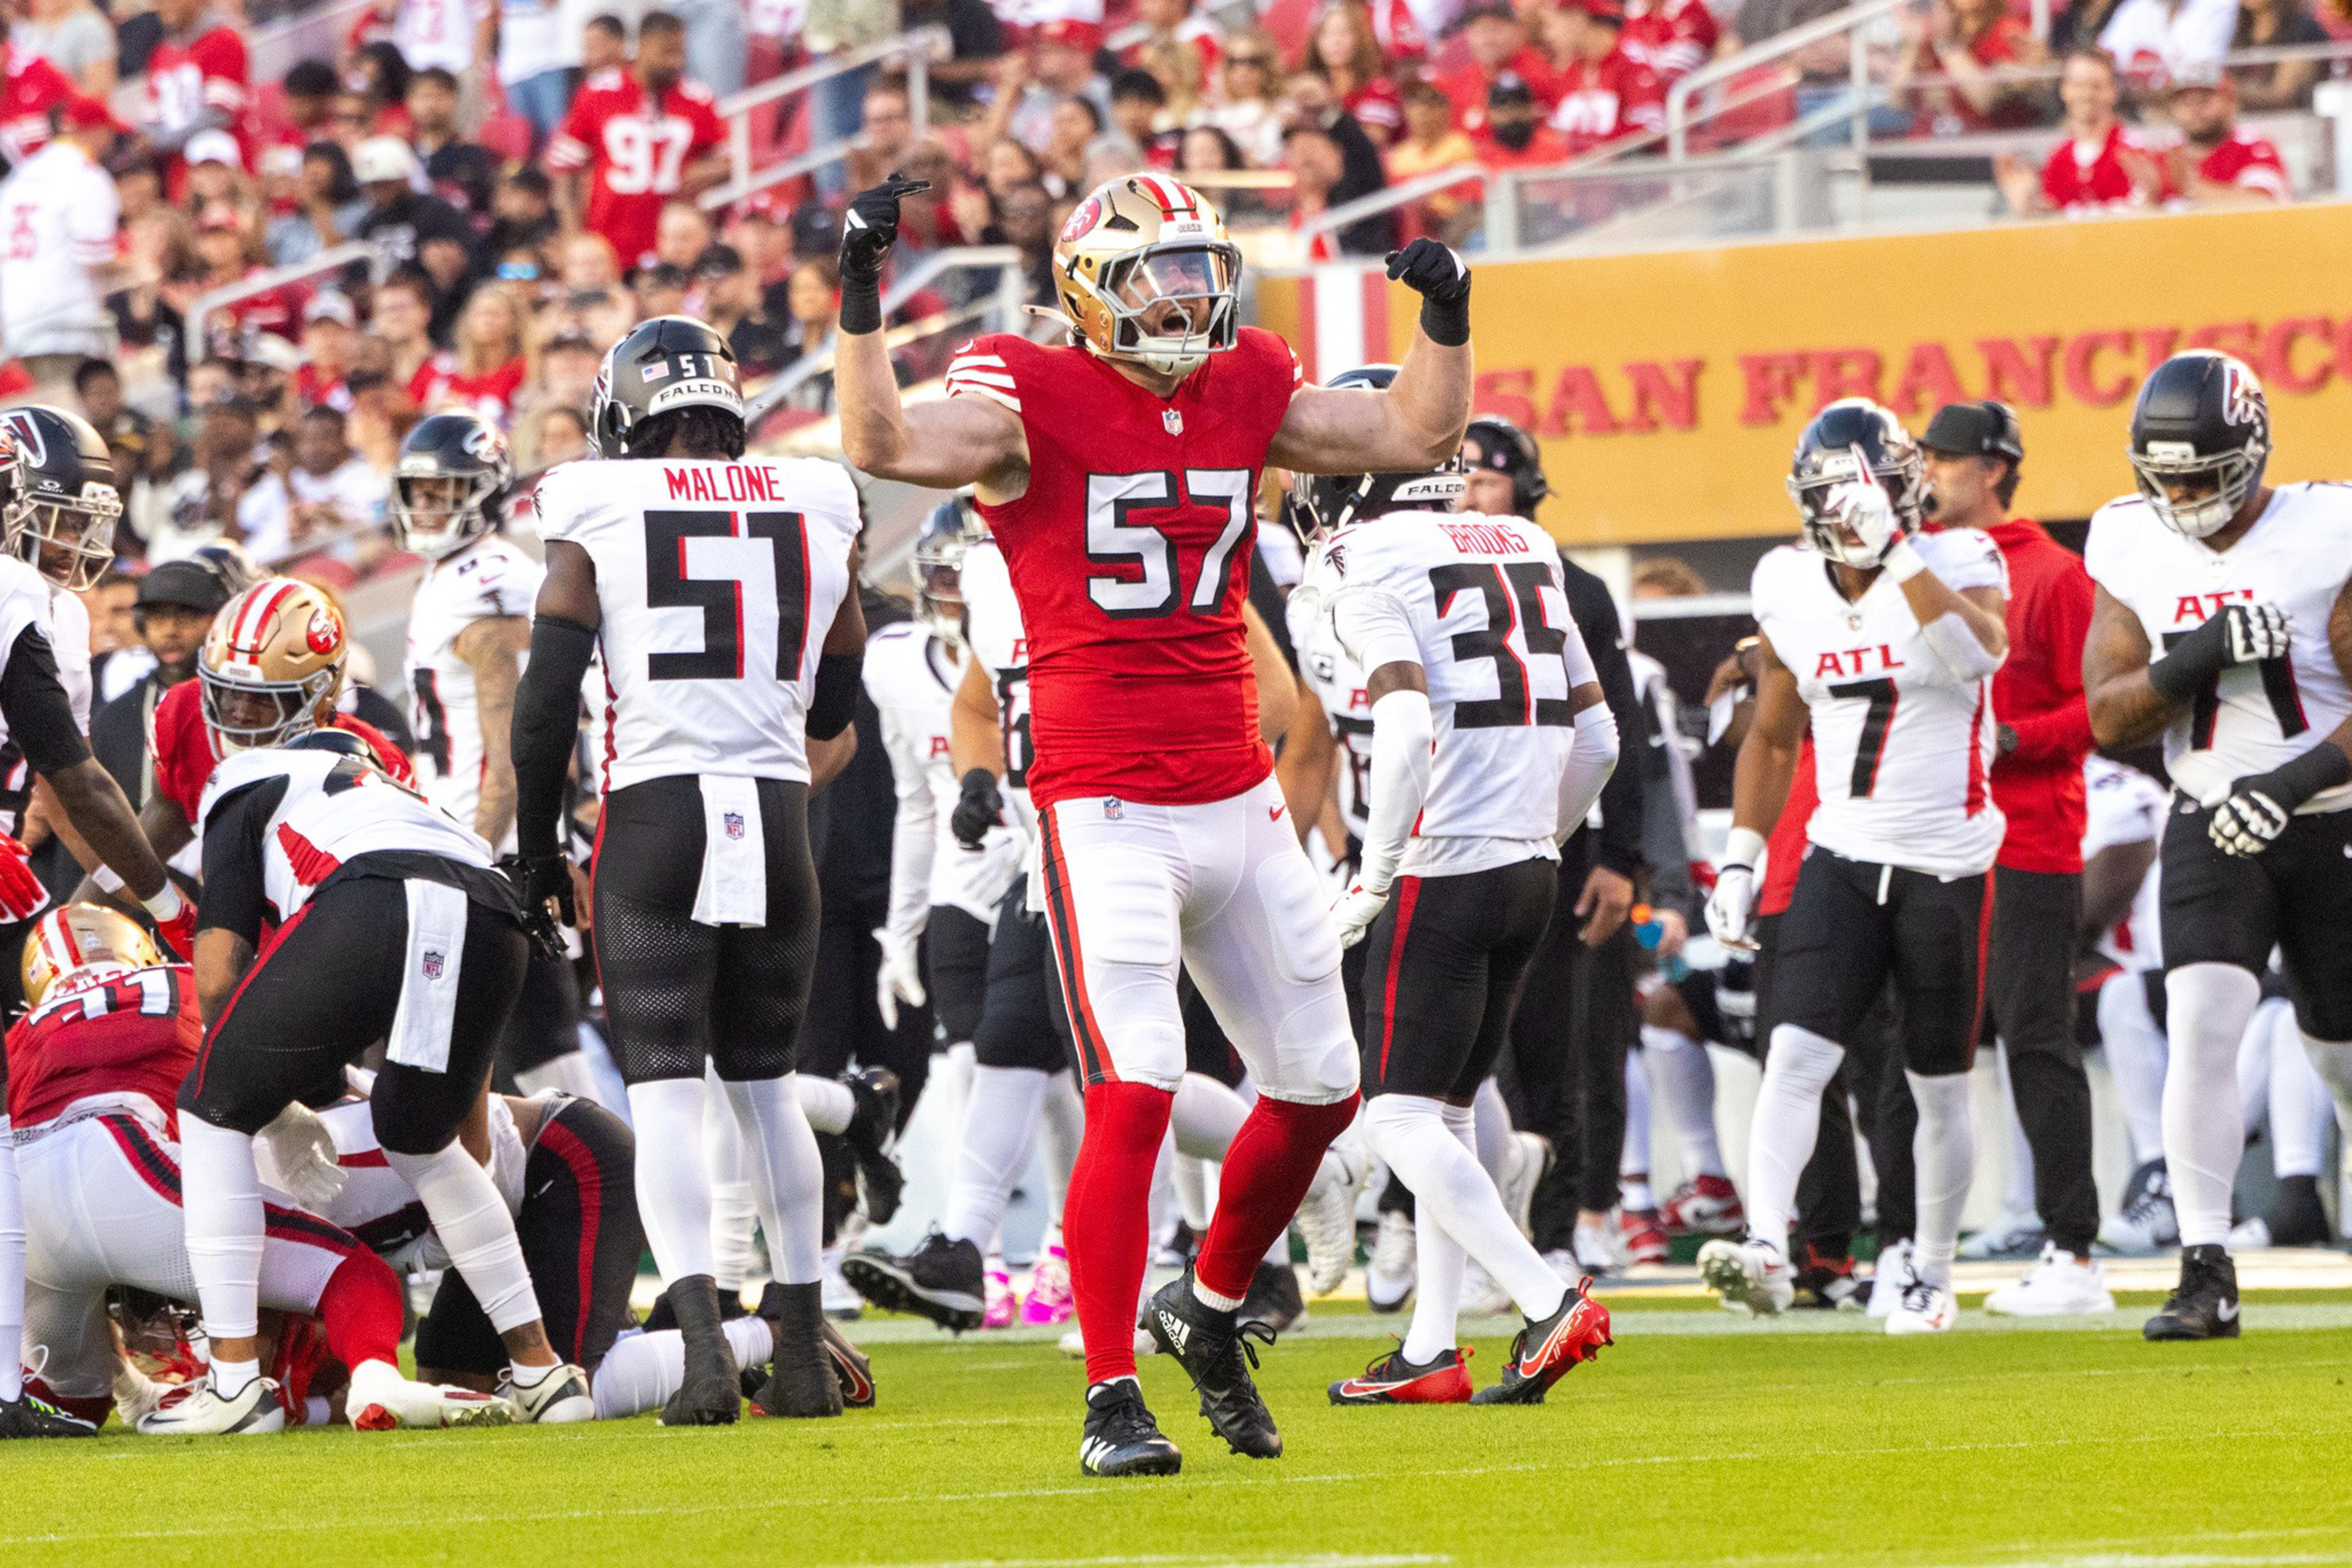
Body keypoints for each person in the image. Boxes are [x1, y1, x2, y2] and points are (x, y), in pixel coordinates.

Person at [833, 168, 1473, 1477]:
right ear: (1086, 289)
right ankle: (1110, 1389)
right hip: (1101, 796)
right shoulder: (1026, 386)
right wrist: (857, 299)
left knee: (1315, 1089)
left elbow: (1410, 433)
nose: (1184, 295)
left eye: (1197, 269)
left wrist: (1446, 321)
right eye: (1154, 275)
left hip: (1231, 787)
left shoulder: (1242, 380)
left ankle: (1213, 1301)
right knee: (1128, 1087)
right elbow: (884, 443)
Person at [509, 315, 868, 1425]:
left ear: (626, 414)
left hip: (656, 818)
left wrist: (533, 851)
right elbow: (839, 691)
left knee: (667, 1094)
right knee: (765, 1092)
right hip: (771, 811)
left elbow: (542, 707)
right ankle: (801, 1350)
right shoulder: (815, 496)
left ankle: (706, 1351)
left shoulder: (594, 503)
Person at [1289, 368, 1619, 1409]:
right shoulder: (1521, 542)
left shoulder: (1359, 555)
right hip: (1528, 861)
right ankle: (1430, 1347)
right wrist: (1536, 835)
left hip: (1442, 864)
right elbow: (1598, 740)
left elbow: (1397, 726)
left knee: (1391, 1121)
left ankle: (1540, 1295)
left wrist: (1376, 874)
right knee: (1440, 1115)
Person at [1701, 398, 2010, 1335]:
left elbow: (1974, 657)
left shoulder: (1959, 559)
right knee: (1793, 1054)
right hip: (1842, 849)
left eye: (1859, 496)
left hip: (1945, 863)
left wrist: (1898, 557)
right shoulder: (1785, 582)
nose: (1844, 515)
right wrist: (1741, 859)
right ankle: (1764, 1245)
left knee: (1932, 1085)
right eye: (1829, 499)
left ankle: (1929, 1267)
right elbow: (1774, 728)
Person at [2082, 351, 2352, 1339]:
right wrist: (2195, 656)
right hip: (2206, 810)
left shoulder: (2326, 529)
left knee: (2337, 1056)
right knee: (2198, 1017)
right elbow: (2107, 718)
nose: (2182, 494)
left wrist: (2285, 786)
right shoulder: (2125, 538)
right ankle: (2203, 1269)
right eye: (2166, 475)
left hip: (2328, 814)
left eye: (2201, 473)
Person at [11, 905, 500, 1433]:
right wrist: (287, 1117)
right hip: (124, 1159)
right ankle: (375, 1378)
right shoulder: (183, 981)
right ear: (140, 948)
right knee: (353, 1274)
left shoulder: (19, 1035)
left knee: (69, 1409)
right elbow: (270, 1064)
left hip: (26, 1197)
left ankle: (148, 1392)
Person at [0, 421, 194, 1441]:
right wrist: (163, 902)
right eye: (62, 512)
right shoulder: (23, 599)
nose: (77, 538)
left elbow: (49, 788)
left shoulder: (48, 604)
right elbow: (73, 779)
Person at [1915, 401, 2113, 1316]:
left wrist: (2010, 739)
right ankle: (1909, 1252)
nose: (1928, 471)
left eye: (1945, 458)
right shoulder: (1913, 566)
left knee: (2035, 1038)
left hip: (2030, 836)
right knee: (1918, 1045)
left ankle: (2073, 1252)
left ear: (1993, 468)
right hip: (1931, 835)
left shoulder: (2056, 574)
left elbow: (2101, 709)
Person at [1463, 416, 1646, 1278]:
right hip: (1458, 834)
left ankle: (1557, 1227)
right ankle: (1462, 1231)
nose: (1466, 490)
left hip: (1551, 838)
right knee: (1461, 1054)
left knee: (1553, 1047)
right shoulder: (1426, 573)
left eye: (1484, 477)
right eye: (1455, 474)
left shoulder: (1570, 587)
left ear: (1524, 490)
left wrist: (1618, 855)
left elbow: (1615, 732)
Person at [547, 12, 729, 274]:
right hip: (608, 247)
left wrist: (704, 171)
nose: (675, 62)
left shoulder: (698, 99)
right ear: (642, 46)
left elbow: (730, 163)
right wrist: (574, 237)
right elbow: (565, 171)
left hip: (674, 251)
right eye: (666, 52)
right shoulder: (598, 93)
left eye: (680, 53)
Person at [89, 557, 235, 810]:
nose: (170, 630)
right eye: (158, 617)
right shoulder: (115, 720)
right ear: (141, 624)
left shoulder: (245, 707)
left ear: (219, 621)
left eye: (186, 615)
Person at [0, 97, 122, 397]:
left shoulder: (20, 177)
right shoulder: (86, 176)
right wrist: (143, 265)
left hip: (20, 325)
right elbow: (93, 259)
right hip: (65, 324)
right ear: (95, 131)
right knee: (70, 428)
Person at [1995, 49, 2168, 216]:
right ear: (2064, 90)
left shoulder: (2137, 151)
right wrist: (2027, 208)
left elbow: (2154, 211)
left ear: (2113, 91)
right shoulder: (2057, 159)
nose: (2087, 94)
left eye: (2096, 86)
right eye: (2078, 85)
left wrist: (2154, 202)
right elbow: (2053, 220)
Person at [2165, 70, 2288, 206]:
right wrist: (2150, 198)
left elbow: (2263, 203)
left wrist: (2192, 190)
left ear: (2230, 101)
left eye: (2205, 99)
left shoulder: (2254, 148)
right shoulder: (2166, 155)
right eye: (2185, 102)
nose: (2195, 109)